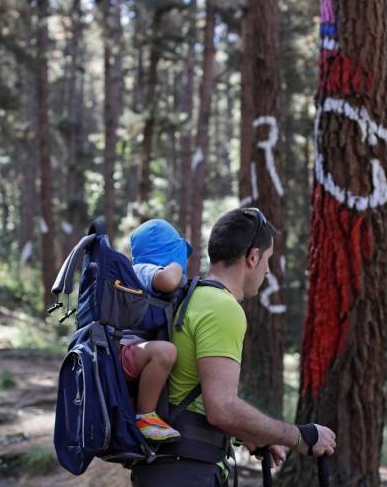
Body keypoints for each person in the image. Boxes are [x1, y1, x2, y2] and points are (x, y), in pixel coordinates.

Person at [131, 208, 336, 487]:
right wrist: (300, 436)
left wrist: (255, 434)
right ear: (252, 257)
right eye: (267, 260)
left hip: (166, 468)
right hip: (186, 473)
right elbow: (222, 409)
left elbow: (189, 391)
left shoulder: (192, 297)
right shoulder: (222, 308)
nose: (267, 269)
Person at [121, 219, 193, 442]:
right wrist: (176, 265)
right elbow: (169, 281)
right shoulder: (140, 270)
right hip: (123, 352)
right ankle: (145, 417)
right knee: (165, 352)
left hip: (132, 352)